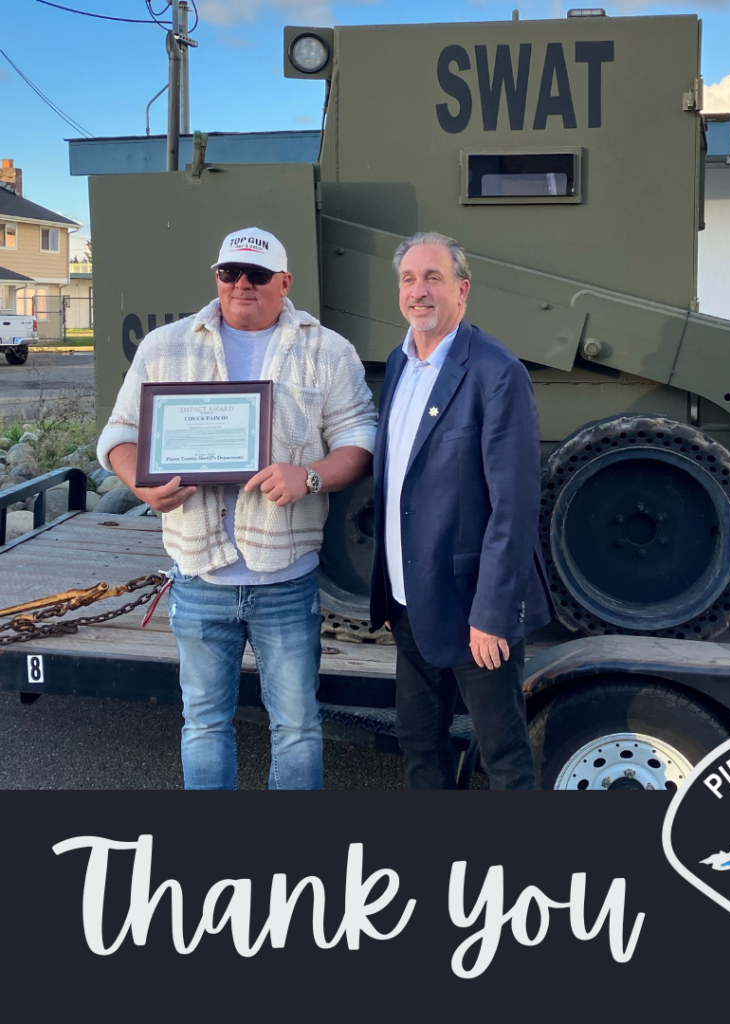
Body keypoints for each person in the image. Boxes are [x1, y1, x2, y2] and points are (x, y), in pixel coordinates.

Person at [97, 227, 376, 790]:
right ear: (216, 277)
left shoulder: (327, 350)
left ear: (285, 282)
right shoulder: (165, 347)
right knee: (203, 723)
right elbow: (119, 435)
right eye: (229, 273)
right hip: (199, 575)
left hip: (287, 578)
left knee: (297, 725)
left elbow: (361, 439)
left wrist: (311, 475)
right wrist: (143, 484)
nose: (241, 284)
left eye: (257, 275)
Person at [369, 231, 551, 790]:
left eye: (433, 278)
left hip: (474, 610)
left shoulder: (496, 371)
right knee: (420, 746)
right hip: (408, 603)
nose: (418, 291)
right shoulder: (399, 366)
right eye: (408, 279)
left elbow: (514, 505)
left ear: (462, 290)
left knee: (503, 759)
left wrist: (493, 613)